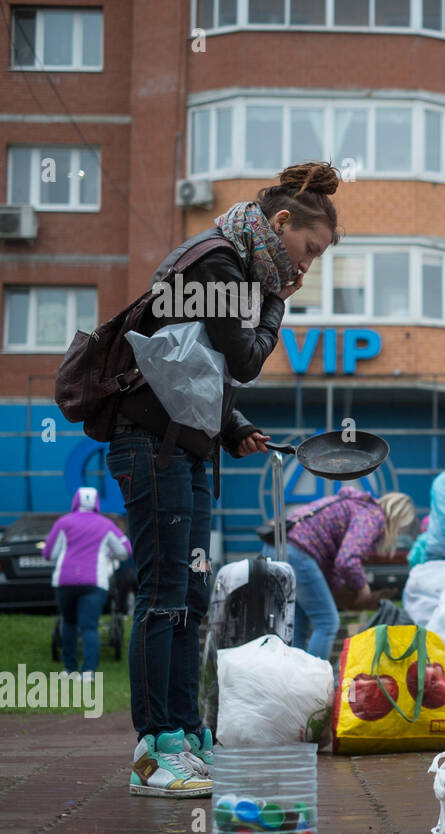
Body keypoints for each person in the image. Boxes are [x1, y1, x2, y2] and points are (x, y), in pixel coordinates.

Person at [107, 161, 340, 797]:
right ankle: (154, 750)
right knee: (163, 595)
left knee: (188, 595)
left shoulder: (233, 261)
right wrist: (275, 308)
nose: (306, 266)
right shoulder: (217, 261)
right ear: (282, 222)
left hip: (185, 446)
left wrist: (232, 425)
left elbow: (190, 362)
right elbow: (241, 357)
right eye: (309, 250)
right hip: (152, 447)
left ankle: (184, 735)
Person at [272, 489, 415, 659]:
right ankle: (314, 681)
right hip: (299, 551)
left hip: (279, 546)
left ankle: (295, 679)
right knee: (327, 622)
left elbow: (333, 563)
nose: (399, 533)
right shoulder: (373, 516)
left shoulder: (359, 507)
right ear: (397, 517)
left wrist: (342, 591)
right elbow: (347, 560)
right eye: (401, 527)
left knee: (299, 626)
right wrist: (363, 588)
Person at [41, 487, 132, 679]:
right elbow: (125, 550)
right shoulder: (106, 525)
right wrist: (108, 554)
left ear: (75, 501)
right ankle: (88, 671)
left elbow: (49, 553)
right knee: (89, 626)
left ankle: (69, 669)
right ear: (97, 503)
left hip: (64, 581)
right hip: (94, 582)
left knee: (69, 623)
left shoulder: (63, 522)